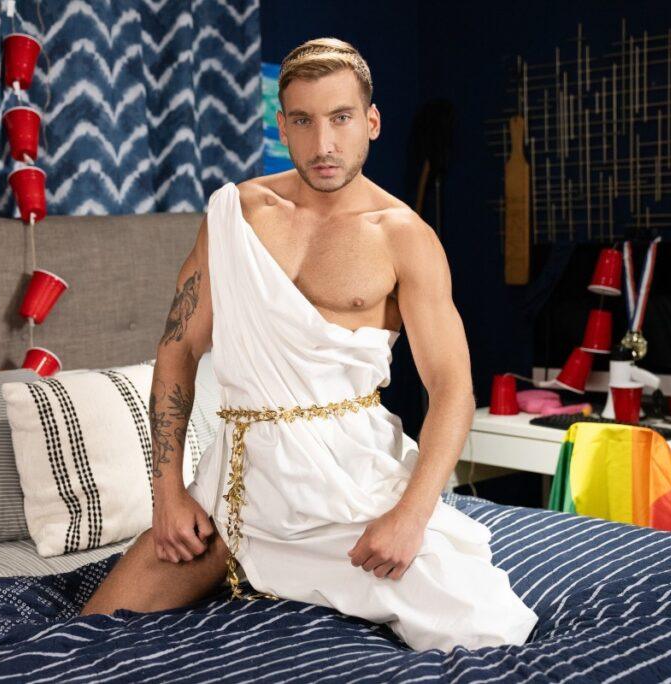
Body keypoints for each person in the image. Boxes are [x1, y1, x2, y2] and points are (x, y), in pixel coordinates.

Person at [80, 37, 538, 652]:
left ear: (372, 122)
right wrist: (166, 495)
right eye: (303, 121)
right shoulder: (236, 214)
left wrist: (410, 517)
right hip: (233, 489)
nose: (323, 144)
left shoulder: (403, 236)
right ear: (281, 126)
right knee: (88, 635)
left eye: (341, 118)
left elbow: (452, 388)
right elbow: (179, 350)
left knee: (488, 636)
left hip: (347, 490)